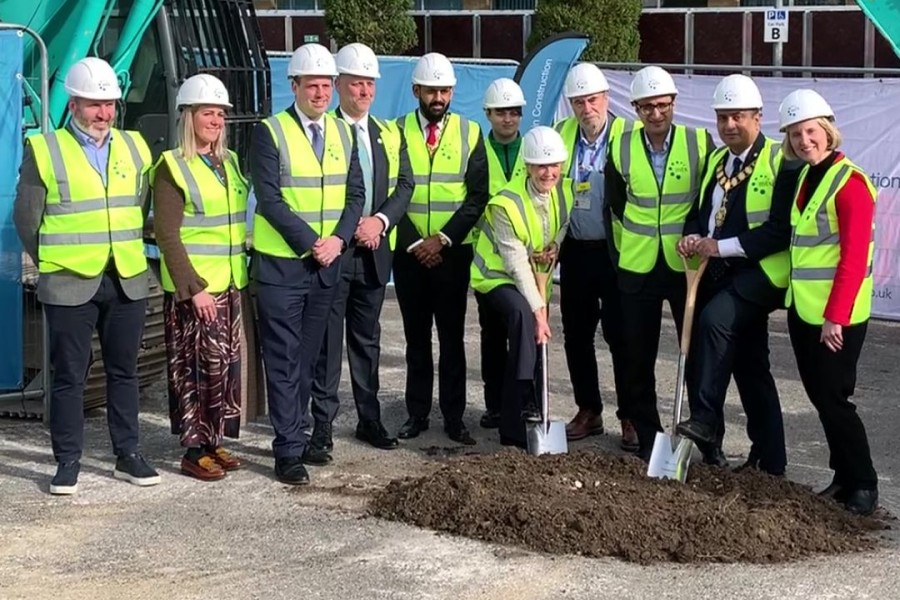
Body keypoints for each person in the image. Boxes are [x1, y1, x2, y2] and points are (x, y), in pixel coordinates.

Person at [13, 57, 160, 495]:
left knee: (124, 372)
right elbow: (27, 220)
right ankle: (68, 460)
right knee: (68, 376)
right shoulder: (45, 149)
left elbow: (140, 205)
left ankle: (128, 454)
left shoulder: (135, 147)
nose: (104, 114)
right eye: (95, 105)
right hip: (69, 281)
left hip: (126, 276)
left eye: (110, 104)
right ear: (74, 105)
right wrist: (56, 262)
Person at [250, 43, 365, 485]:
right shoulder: (270, 132)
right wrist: (310, 242)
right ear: (293, 85)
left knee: (309, 357)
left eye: (325, 85)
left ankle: (297, 437)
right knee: (282, 359)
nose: (319, 93)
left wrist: (337, 240)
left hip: (326, 265)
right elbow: (270, 199)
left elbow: (355, 195)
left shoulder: (342, 133)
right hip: (283, 266)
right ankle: (288, 450)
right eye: (311, 85)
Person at [674, 75, 793, 477]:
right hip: (716, 271)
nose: (728, 125)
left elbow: (780, 229)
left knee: (713, 323)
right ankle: (769, 459)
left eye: (737, 116)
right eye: (722, 117)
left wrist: (718, 247)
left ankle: (705, 421)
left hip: (759, 273)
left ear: (757, 117)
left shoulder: (779, 159)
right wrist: (692, 236)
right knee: (749, 364)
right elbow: (700, 212)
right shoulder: (716, 160)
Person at [310, 43, 414, 458]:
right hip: (336, 253)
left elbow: (405, 185)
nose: (365, 90)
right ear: (338, 86)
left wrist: (381, 221)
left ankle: (369, 418)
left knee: (367, 341)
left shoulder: (389, 132)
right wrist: (352, 227)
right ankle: (322, 427)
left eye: (370, 83)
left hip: (374, 252)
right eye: (356, 83)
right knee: (327, 344)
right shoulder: (324, 130)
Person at [778, 89, 878, 515]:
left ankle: (864, 485)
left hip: (838, 317)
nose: (805, 140)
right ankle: (843, 476)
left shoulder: (850, 182)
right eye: (797, 134)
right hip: (805, 309)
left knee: (836, 400)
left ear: (828, 130)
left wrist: (835, 317)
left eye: (811, 131)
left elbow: (854, 259)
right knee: (821, 397)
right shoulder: (807, 176)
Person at [605, 66, 713, 460]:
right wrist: (622, 256)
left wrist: (693, 235)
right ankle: (650, 439)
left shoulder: (699, 141)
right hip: (637, 267)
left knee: (697, 355)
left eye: (662, 105)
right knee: (637, 356)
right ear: (635, 108)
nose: (656, 114)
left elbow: (707, 201)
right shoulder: (621, 147)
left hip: (685, 265)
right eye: (647, 107)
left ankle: (706, 438)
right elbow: (615, 205)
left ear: (674, 105)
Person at [151, 74, 248, 481]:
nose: (216, 120)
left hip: (229, 284)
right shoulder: (173, 166)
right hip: (198, 292)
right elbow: (167, 234)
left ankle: (213, 441)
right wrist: (193, 288)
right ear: (188, 116)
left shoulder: (229, 163)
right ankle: (193, 448)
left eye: (221, 114)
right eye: (208, 113)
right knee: (192, 368)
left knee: (223, 369)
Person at [393, 52, 489, 445]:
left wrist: (443, 239)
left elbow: (477, 196)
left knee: (452, 338)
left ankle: (454, 416)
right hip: (409, 252)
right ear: (416, 90)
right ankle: (416, 414)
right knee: (416, 338)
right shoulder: (395, 131)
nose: (438, 97)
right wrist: (418, 241)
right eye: (431, 90)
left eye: (445, 90)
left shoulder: (470, 132)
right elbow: (390, 191)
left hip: (452, 253)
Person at [470, 126, 573, 447]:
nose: (549, 172)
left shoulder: (564, 191)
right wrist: (540, 312)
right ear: (527, 167)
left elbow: (562, 223)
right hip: (495, 275)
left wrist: (555, 244)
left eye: (554, 165)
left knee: (531, 328)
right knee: (524, 319)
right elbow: (514, 262)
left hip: (534, 274)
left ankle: (533, 407)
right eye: (541, 166)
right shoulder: (505, 204)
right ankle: (514, 420)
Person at [553, 63, 631, 447]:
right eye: (579, 102)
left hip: (618, 253)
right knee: (577, 335)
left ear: (606, 98)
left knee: (622, 335)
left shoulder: (626, 135)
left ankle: (631, 414)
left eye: (593, 99)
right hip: (576, 251)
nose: (587, 108)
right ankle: (589, 410)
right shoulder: (561, 136)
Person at [476, 77, 527, 430]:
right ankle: (495, 404)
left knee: (529, 332)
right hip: (490, 263)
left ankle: (525, 402)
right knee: (492, 336)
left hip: (528, 261)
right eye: (500, 113)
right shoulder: (477, 151)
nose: (507, 119)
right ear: (488, 114)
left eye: (513, 112)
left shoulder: (534, 149)